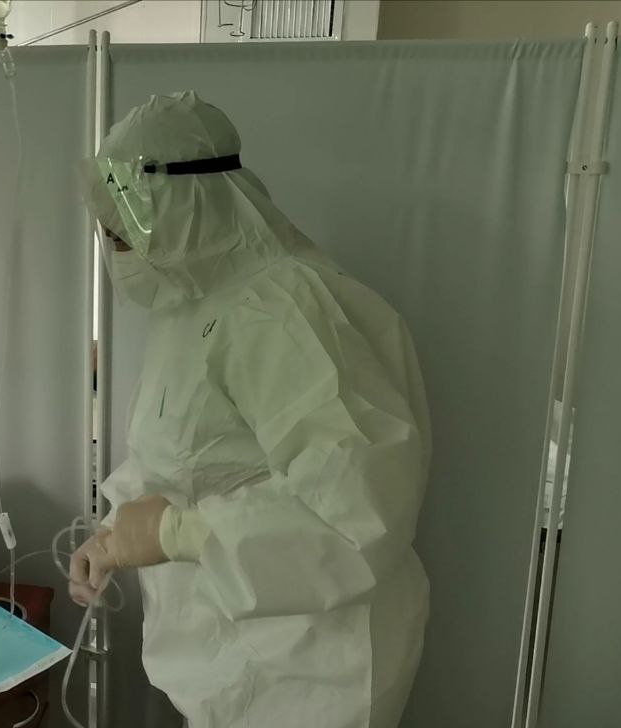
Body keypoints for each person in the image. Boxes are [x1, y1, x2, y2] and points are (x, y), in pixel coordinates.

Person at [71, 92, 431, 728]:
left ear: (185, 204)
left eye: (126, 229)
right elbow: (184, 460)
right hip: (232, 662)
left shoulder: (282, 311)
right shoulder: (187, 308)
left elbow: (357, 507)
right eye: (110, 232)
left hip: (310, 675)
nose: (116, 247)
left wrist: (176, 533)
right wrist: (114, 534)